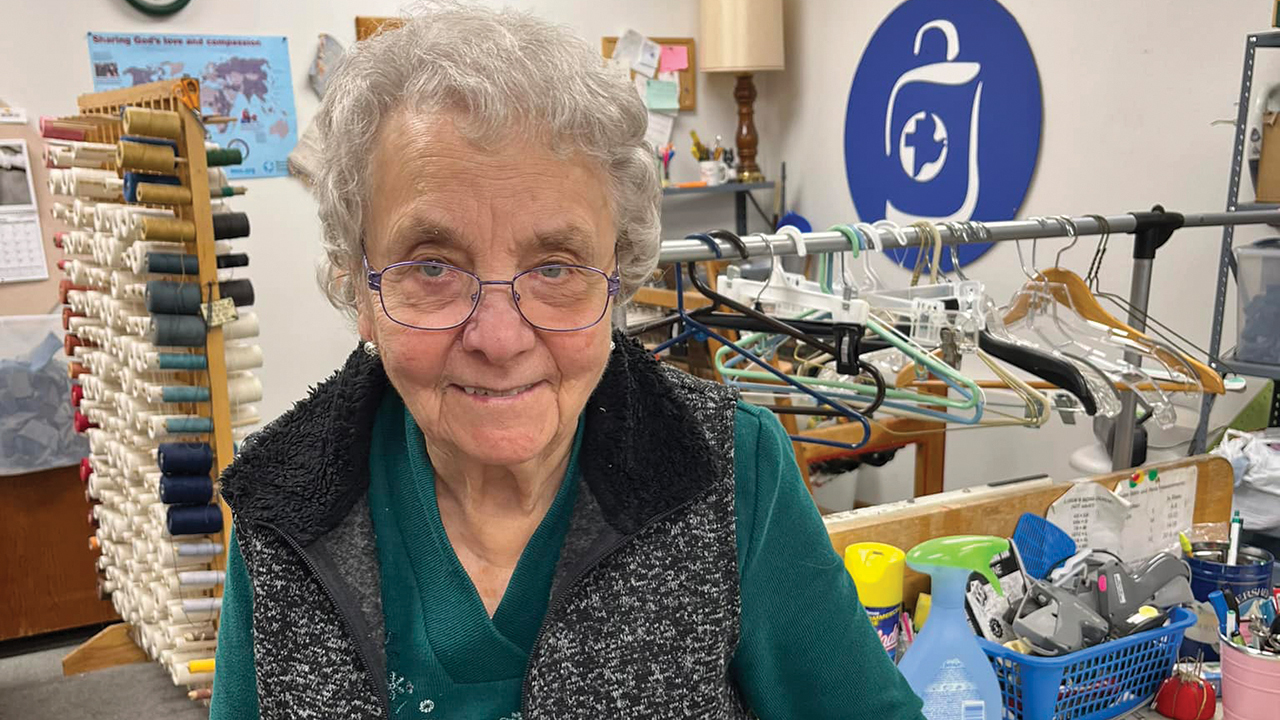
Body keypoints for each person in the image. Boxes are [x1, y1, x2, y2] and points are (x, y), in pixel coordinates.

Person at [210, 3, 925, 718]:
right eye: (432, 267)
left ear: (619, 278)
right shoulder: (279, 514)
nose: (499, 337)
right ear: (358, 288)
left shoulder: (733, 471)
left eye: (556, 267)